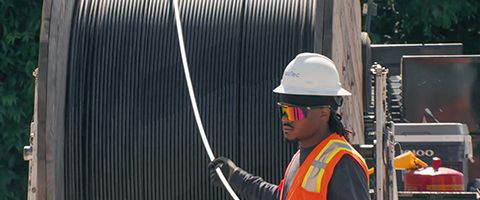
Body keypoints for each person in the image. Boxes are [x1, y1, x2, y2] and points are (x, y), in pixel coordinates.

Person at [209, 53, 370, 200]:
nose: (285, 119)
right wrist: (236, 176)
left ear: (323, 113)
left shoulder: (343, 163)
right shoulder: (302, 157)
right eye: (283, 110)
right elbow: (282, 196)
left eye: (294, 112)